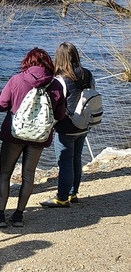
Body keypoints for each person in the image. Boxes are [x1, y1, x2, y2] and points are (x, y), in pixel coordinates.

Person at [0, 48, 66, 228]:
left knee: (5, 173)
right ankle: (18, 216)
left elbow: (0, 105)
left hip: (14, 134)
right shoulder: (55, 85)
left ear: (27, 62)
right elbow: (60, 115)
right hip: (39, 136)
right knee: (28, 175)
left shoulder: (16, 80)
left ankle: (0, 216)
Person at [41, 42, 95, 208]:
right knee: (76, 159)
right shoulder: (87, 74)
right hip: (83, 124)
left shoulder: (59, 80)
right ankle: (72, 193)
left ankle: (62, 198)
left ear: (59, 58)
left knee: (64, 163)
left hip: (66, 126)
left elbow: (54, 105)